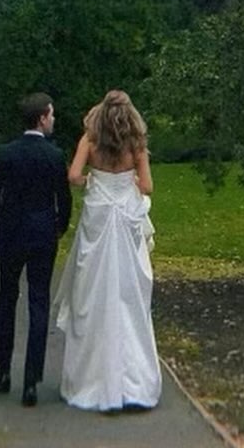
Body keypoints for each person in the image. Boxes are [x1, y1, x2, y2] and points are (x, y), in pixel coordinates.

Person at [54, 89, 161, 412]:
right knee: (128, 294)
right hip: (125, 215)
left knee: (93, 292)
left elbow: (73, 176)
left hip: (99, 215)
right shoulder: (136, 145)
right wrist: (125, 183)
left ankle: (92, 380)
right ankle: (133, 384)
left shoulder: (90, 140)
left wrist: (93, 181)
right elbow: (147, 186)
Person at [0, 92, 72, 407]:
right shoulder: (54, 155)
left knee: (7, 298)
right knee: (38, 303)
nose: (54, 119)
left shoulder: (7, 154)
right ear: (41, 118)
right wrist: (58, 227)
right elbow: (64, 199)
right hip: (42, 235)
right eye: (51, 114)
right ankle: (31, 381)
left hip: (10, 233)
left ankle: (3, 369)